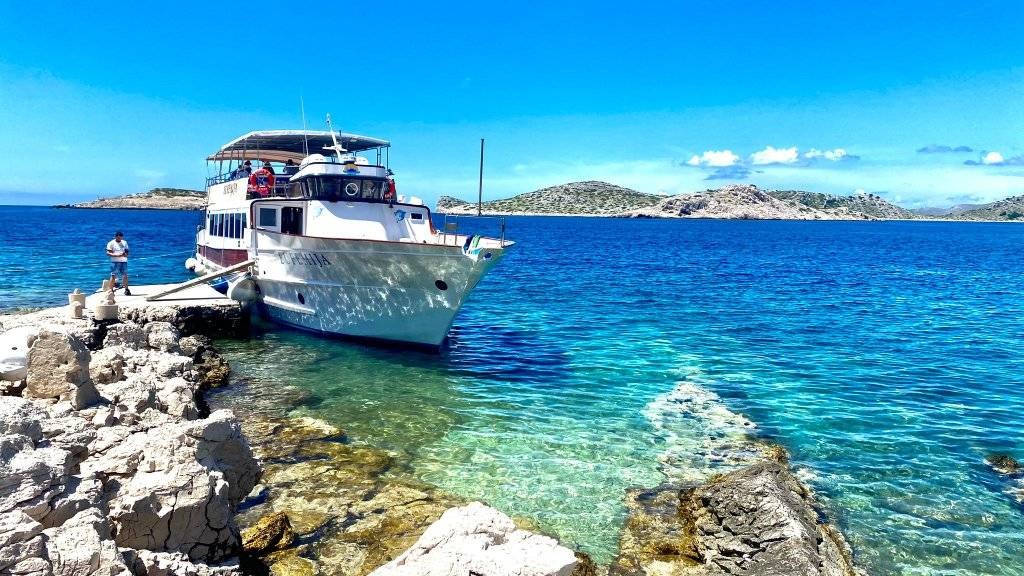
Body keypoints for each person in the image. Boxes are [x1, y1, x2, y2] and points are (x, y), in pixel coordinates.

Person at [106, 231, 130, 296]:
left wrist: (125, 254)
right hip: (115, 261)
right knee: (113, 275)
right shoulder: (111, 243)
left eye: (121, 237)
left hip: (123, 261)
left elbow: (127, 251)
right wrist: (116, 255)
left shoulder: (124, 242)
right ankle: (111, 290)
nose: (120, 239)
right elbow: (108, 253)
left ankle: (126, 289)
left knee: (125, 275)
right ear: (115, 237)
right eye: (118, 237)